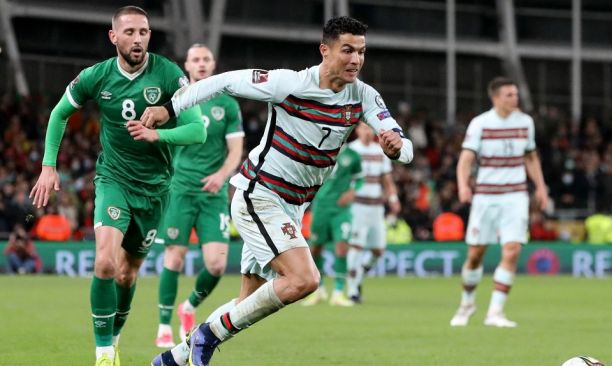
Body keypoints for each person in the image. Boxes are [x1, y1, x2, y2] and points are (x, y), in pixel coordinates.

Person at [146, 16, 413, 366]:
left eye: (361, 52)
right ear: (325, 50)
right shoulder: (289, 84)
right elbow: (225, 81)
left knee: (250, 299)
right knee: (303, 279)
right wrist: (170, 108)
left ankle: (173, 359)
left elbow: (403, 147)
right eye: (347, 50)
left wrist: (396, 148)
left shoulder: (363, 96)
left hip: (293, 207)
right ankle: (207, 337)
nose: (355, 60)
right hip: (261, 195)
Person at [28, 6, 206, 366]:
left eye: (143, 32)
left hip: (156, 189)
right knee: (105, 262)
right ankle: (104, 353)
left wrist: (158, 134)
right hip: (113, 180)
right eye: (129, 32)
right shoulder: (96, 76)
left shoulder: (169, 74)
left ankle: (116, 336)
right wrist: (48, 166)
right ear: (114, 37)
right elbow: (60, 112)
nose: (138, 39)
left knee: (127, 273)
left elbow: (198, 130)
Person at [155, 44, 244, 348]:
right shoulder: (176, 101)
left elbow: (235, 151)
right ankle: (163, 325)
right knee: (174, 256)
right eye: (196, 59)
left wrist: (222, 175)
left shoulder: (228, 105)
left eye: (206, 59)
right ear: (187, 65)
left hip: (213, 193)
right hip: (180, 189)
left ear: (213, 64)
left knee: (217, 264)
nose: (202, 64)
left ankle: (189, 307)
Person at [450, 77, 547, 328]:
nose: (515, 98)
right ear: (495, 98)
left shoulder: (525, 122)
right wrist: (463, 185)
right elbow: (466, 159)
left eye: (515, 94)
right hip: (486, 196)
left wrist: (541, 187)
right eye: (509, 95)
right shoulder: (481, 123)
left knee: (512, 249)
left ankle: (495, 312)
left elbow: (531, 156)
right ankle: (467, 303)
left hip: (515, 195)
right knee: (475, 254)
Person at [301, 145, 363, 307]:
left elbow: (360, 179)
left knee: (342, 248)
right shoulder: (319, 150)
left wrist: (352, 192)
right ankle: (319, 290)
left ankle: (338, 292)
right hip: (321, 207)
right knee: (315, 249)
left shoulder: (353, 155)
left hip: (341, 210)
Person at [346, 122, 400, 303]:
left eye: (370, 128)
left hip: (376, 207)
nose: (367, 132)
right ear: (358, 130)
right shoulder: (350, 150)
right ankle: (352, 291)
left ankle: (358, 274)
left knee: (378, 251)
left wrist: (393, 199)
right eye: (364, 128)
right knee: (356, 246)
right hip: (357, 206)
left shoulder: (380, 152)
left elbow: (387, 180)